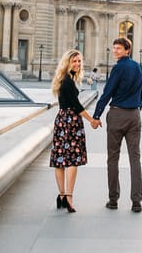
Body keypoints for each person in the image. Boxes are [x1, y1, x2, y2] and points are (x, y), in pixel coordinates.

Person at [94, 38, 142, 212]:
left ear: (127, 50)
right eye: (114, 48)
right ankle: (136, 201)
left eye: (118, 48)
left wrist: (96, 115)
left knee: (113, 159)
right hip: (134, 116)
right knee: (135, 159)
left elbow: (107, 92)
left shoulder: (118, 68)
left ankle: (113, 199)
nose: (115, 51)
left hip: (117, 114)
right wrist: (138, 106)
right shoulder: (139, 68)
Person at [50, 50, 101, 213]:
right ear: (68, 62)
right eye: (75, 61)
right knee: (72, 160)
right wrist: (92, 120)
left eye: (79, 61)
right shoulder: (68, 81)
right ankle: (69, 197)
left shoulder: (65, 79)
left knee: (60, 159)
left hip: (61, 120)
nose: (78, 64)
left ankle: (61, 195)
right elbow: (77, 106)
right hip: (71, 122)